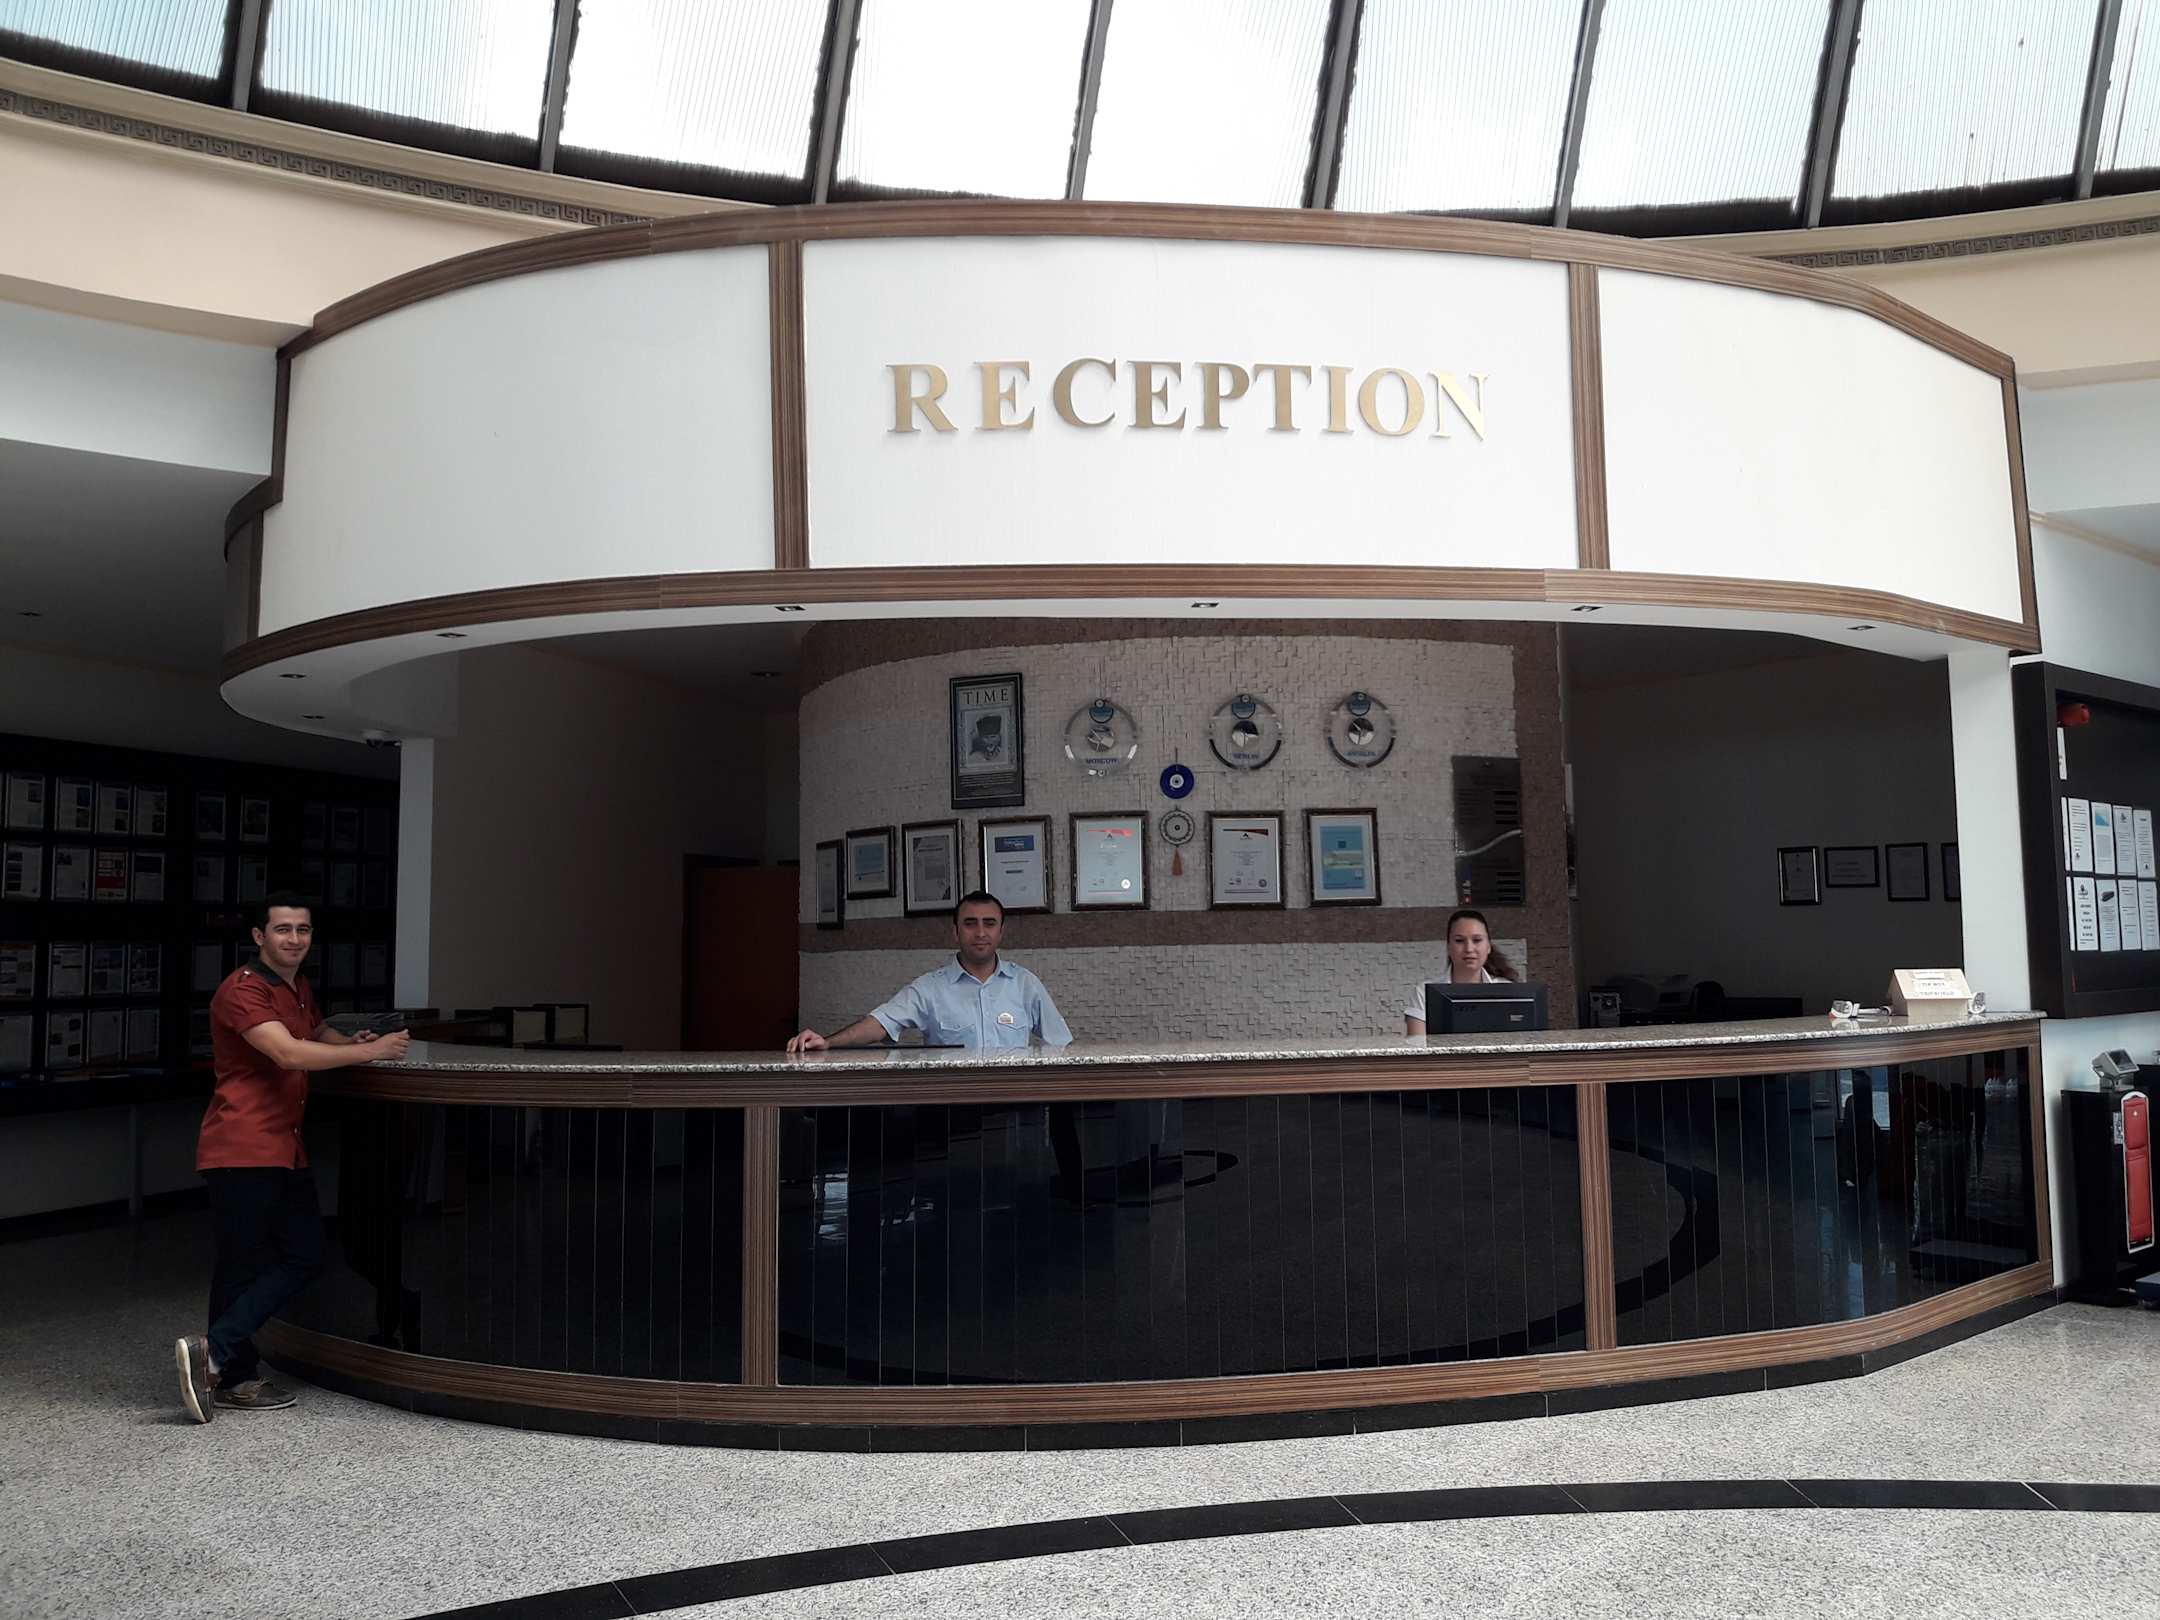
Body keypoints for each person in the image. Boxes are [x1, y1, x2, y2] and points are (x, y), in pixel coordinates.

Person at [173, 892, 410, 1424]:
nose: (294, 939)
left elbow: (313, 1034)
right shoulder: (243, 989)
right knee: (242, 1264)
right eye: (283, 929)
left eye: (303, 930)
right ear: (259, 936)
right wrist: (371, 1051)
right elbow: (287, 1052)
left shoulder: (296, 986)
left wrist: (350, 1039)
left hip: (284, 1146)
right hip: (243, 1147)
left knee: (305, 1255)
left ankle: (217, 1355)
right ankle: (231, 1374)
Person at [787, 890, 1071, 1052]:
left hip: (1017, 1110)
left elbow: (1061, 1045)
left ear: (1001, 932)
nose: (980, 932)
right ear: (955, 932)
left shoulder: (1024, 984)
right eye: (970, 923)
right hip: (951, 1114)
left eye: (989, 923)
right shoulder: (930, 988)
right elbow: (881, 1023)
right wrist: (828, 1042)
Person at [1404, 907, 1518, 1035]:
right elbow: (1416, 1043)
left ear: (1488, 947)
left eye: (1477, 940)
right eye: (1459, 941)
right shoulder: (1424, 992)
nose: (1469, 948)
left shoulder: (1507, 989)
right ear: (1448, 947)